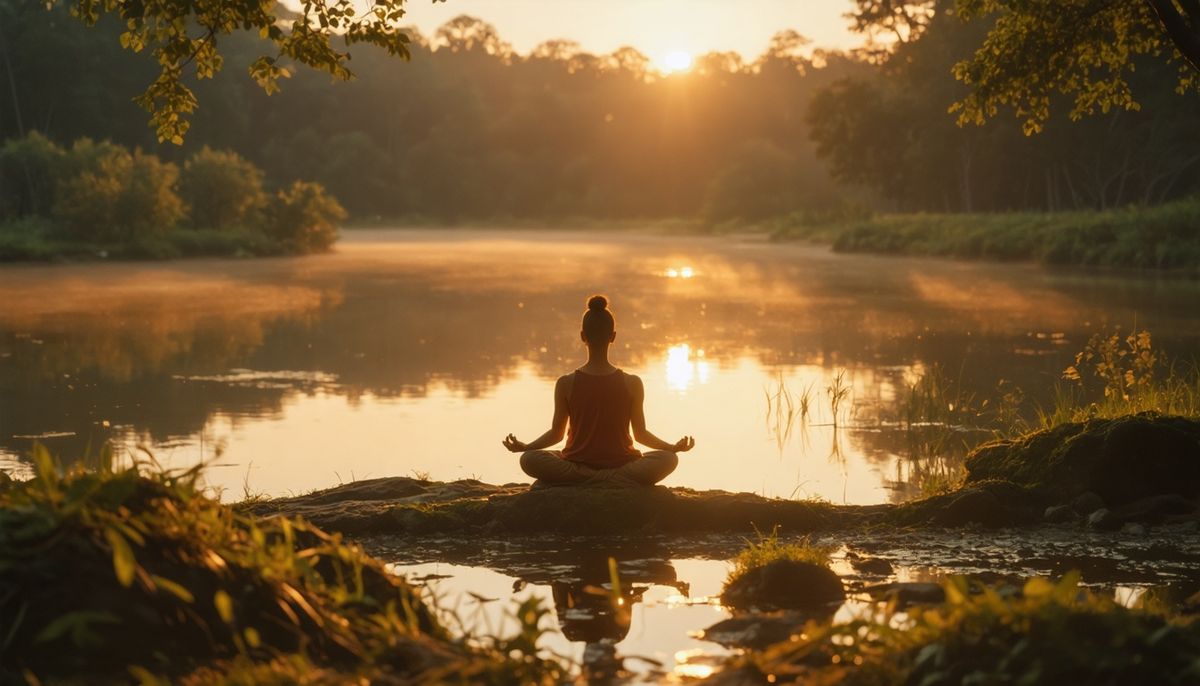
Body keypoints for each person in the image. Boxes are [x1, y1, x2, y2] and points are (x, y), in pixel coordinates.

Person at [502, 294, 695, 486]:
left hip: (576, 468)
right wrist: (671, 448)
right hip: (623, 468)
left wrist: (526, 447)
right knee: (668, 459)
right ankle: (613, 480)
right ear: (613, 337)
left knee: (529, 459)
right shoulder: (632, 383)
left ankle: (587, 479)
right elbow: (641, 434)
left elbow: (556, 434)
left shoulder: (566, 383)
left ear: (582, 336)